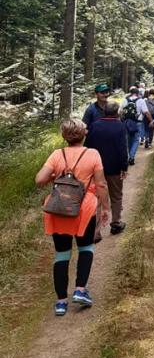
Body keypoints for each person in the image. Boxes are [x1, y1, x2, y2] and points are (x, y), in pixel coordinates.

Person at [35, 118, 110, 316]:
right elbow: (101, 184)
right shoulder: (92, 154)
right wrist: (106, 208)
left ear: (64, 136)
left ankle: (61, 302)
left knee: (61, 254)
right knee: (86, 247)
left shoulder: (56, 154)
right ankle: (80, 290)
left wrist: (55, 177)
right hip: (84, 208)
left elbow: (40, 179)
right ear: (84, 134)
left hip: (58, 207)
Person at [85, 101, 129, 238]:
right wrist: (124, 166)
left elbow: (87, 146)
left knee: (97, 197)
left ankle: (95, 231)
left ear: (105, 112)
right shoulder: (120, 126)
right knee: (116, 196)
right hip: (114, 167)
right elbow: (123, 149)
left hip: (96, 168)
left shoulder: (94, 126)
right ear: (117, 112)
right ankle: (115, 223)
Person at [120, 86, 141, 165]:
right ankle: (131, 157)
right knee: (136, 140)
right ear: (137, 93)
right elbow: (145, 111)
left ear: (130, 93)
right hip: (136, 122)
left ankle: (129, 156)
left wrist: (121, 120)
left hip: (126, 122)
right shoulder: (140, 100)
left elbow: (120, 111)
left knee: (128, 140)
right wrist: (151, 120)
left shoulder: (125, 100)